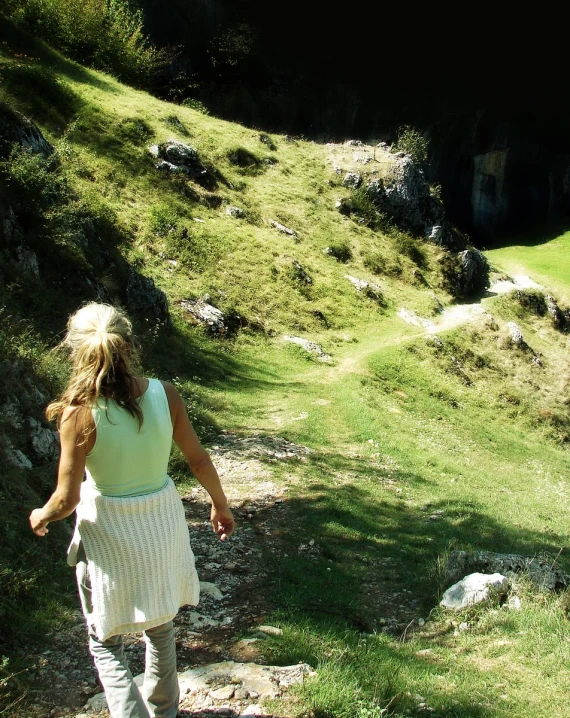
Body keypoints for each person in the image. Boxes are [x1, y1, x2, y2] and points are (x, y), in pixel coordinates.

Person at [29, 302, 235, 718]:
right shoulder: (165, 394)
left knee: (105, 641)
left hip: (109, 536)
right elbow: (198, 460)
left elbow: (66, 499)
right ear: (129, 343)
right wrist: (220, 503)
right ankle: (165, 713)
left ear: (75, 348)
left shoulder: (78, 413)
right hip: (159, 524)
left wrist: (41, 515)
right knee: (159, 627)